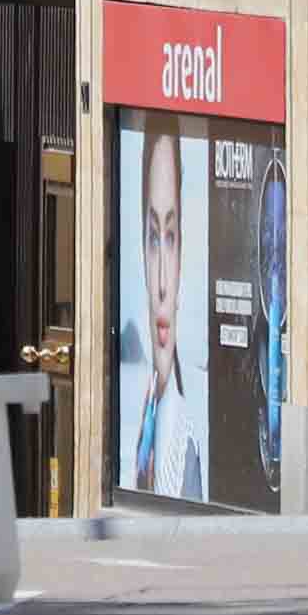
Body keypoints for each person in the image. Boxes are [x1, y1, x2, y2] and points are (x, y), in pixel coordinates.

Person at [126, 138, 208, 499]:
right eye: (153, 237)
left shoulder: (187, 441)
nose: (161, 283)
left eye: (170, 238)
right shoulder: (137, 408)